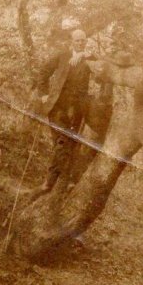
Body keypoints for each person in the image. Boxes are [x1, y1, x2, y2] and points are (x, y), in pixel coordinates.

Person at [33, 29, 95, 193]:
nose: (81, 43)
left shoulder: (89, 59)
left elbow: (103, 65)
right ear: (71, 41)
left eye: (83, 40)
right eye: (77, 41)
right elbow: (43, 72)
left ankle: (57, 182)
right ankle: (52, 181)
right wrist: (44, 94)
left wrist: (83, 56)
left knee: (66, 144)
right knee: (61, 143)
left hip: (76, 111)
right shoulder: (62, 56)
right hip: (56, 107)